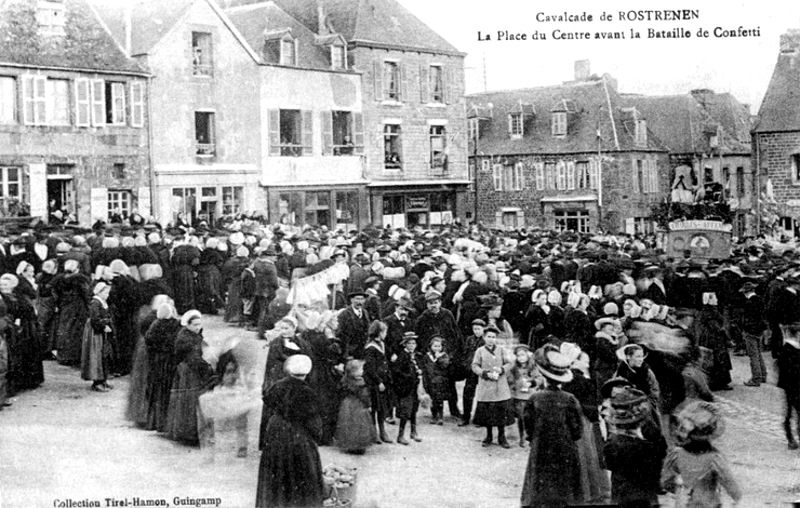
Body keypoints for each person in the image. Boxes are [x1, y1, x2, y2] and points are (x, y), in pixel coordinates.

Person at [256, 354, 325, 508]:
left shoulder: (277, 385)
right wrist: (316, 437)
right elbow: (314, 424)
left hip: (276, 430)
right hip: (299, 436)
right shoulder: (307, 392)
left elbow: (268, 406)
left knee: (277, 472)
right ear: (307, 372)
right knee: (302, 474)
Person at [520, 344, 583, 508]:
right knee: (564, 487)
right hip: (565, 448)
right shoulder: (570, 399)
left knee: (540, 486)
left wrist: (534, 438)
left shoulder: (535, 398)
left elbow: (528, 426)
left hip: (541, 447)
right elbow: (577, 431)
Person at [661, 401, 742, 507]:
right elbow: (730, 483)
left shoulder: (676, 455)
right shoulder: (715, 459)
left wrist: (679, 486)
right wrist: (736, 497)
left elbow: (666, 482)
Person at [603, 386, 666, 508]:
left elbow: (609, 464)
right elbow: (661, 455)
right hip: (646, 493)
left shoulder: (612, 442)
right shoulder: (649, 438)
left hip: (622, 493)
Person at [166, 310, 214, 445]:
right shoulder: (185, 339)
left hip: (192, 369)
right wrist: (207, 366)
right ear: (187, 325)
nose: (198, 327)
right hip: (189, 371)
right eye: (195, 325)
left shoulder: (193, 335)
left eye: (199, 324)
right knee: (190, 401)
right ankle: (189, 433)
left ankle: (192, 431)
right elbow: (193, 358)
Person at [471, 325, 514, 448]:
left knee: (501, 413)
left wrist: (501, 369)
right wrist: (485, 373)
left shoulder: (501, 350)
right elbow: (475, 366)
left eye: (493, 337)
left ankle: (502, 437)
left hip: (500, 385)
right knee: (488, 413)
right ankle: (489, 436)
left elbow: (509, 363)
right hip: (486, 385)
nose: (491, 339)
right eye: (489, 337)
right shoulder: (480, 351)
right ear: (484, 337)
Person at [143, 302, 182, 432]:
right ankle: (166, 423)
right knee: (168, 391)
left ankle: (155, 422)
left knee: (156, 392)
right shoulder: (176, 325)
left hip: (158, 362)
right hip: (170, 361)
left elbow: (148, 340)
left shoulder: (156, 325)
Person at [335, 359, 376, 454]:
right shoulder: (360, 381)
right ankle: (359, 446)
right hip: (358, 405)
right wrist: (368, 405)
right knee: (360, 425)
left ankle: (350, 445)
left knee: (348, 425)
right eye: (360, 369)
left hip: (347, 403)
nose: (362, 371)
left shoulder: (345, 379)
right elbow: (364, 395)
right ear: (354, 371)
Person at [391, 331, 424, 445]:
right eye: (409, 343)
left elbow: (420, 366)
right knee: (406, 411)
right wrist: (411, 376)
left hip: (415, 387)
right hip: (406, 388)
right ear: (404, 344)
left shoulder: (416, 355)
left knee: (414, 410)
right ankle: (400, 435)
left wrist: (420, 371)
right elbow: (397, 372)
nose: (412, 346)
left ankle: (413, 432)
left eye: (413, 343)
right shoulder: (402, 356)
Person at [80, 282, 114, 392]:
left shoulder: (102, 302)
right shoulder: (95, 303)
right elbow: (95, 319)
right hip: (96, 333)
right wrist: (103, 326)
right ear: (99, 292)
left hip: (101, 331)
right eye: (105, 292)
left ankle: (103, 380)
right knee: (96, 356)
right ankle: (97, 382)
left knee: (104, 355)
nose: (107, 295)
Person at [363, 320, 392, 444]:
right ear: (379, 333)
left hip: (383, 381)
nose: (386, 334)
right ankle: (374, 433)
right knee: (374, 407)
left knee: (382, 408)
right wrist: (379, 381)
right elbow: (370, 368)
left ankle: (382, 431)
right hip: (374, 382)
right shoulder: (371, 348)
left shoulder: (381, 345)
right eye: (384, 331)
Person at [507, 343, 537, 446]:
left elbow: (539, 378)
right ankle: (522, 436)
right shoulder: (513, 368)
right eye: (518, 356)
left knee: (531, 416)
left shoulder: (532, 367)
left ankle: (531, 436)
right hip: (519, 396)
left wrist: (531, 382)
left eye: (523, 355)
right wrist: (515, 383)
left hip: (530, 395)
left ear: (528, 355)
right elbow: (509, 379)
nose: (521, 358)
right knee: (521, 417)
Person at [458, 318, 485, 427]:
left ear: (483, 329)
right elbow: (465, 353)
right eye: (474, 329)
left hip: (482, 371)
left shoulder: (486, 340)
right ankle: (466, 417)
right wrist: (466, 365)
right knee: (468, 394)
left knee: (482, 394)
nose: (476, 331)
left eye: (479, 329)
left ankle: (480, 418)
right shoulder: (469, 339)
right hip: (470, 371)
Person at [740, 281, 768, 387]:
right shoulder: (760, 300)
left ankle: (756, 378)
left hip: (750, 331)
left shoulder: (748, 303)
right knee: (759, 353)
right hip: (759, 330)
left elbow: (746, 319)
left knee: (753, 355)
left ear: (746, 292)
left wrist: (744, 329)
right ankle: (763, 375)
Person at [422, 335, 450, 425]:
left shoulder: (444, 355)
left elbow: (445, 366)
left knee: (439, 399)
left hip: (440, 381)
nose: (437, 348)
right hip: (430, 380)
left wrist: (439, 358)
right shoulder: (427, 356)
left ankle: (440, 416)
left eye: (439, 346)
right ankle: (434, 416)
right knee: (432, 399)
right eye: (435, 346)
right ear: (431, 346)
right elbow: (425, 368)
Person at [338, 290, 372, 359]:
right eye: (357, 299)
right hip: (350, 352)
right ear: (351, 300)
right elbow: (341, 335)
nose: (359, 302)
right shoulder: (344, 314)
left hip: (363, 350)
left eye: (362, 299)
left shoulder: (365, 312)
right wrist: (346, 354)